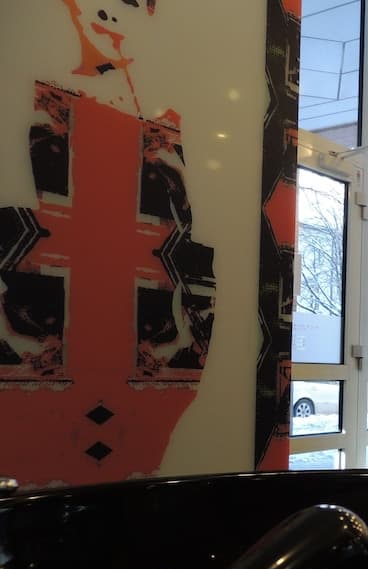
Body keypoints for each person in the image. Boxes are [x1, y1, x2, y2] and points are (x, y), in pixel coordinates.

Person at [0, 0, 215, 487]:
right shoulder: (41, 102)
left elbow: (193, 264)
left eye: (139, 7)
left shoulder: (165, 127)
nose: (115, 19)